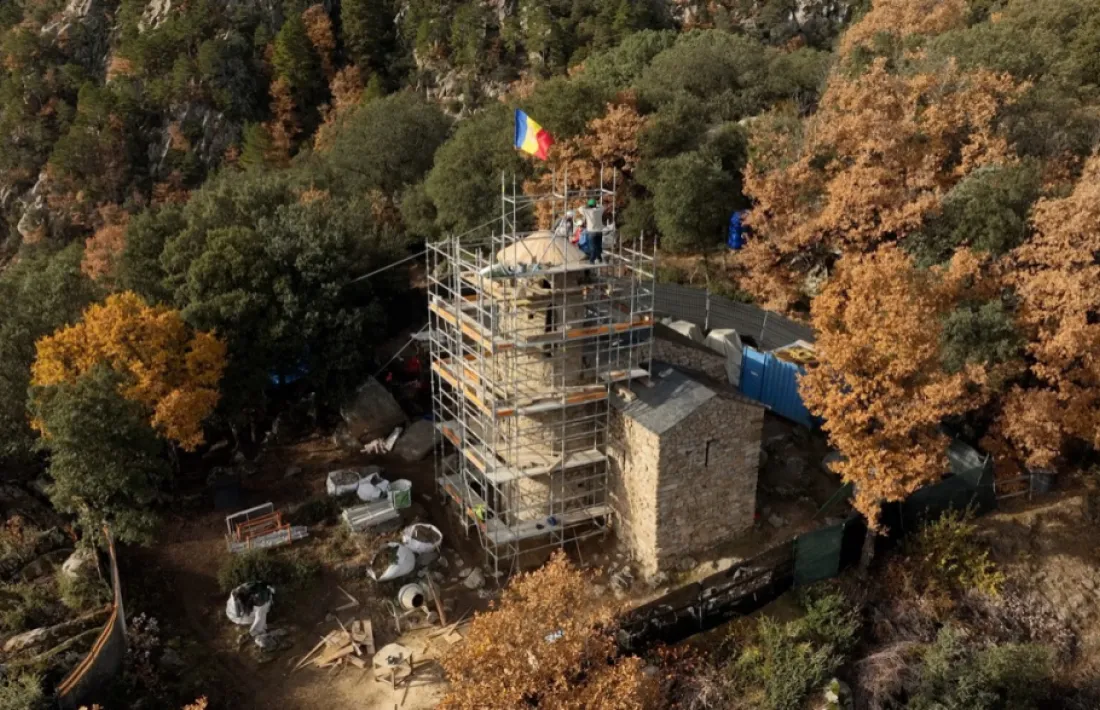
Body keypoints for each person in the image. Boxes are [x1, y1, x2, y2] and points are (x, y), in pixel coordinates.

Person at [576, 198, 605, 264]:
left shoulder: (587, 211)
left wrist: (586, 205)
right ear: (595, 205)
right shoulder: (599, 210)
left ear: (589, 205)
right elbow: (602, 206)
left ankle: (592, 260)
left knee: (593, 247)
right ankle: (599, 258)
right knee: (598, 246)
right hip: (599, 231)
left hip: (591, 232)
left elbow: (580, 208)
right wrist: (596, 204)